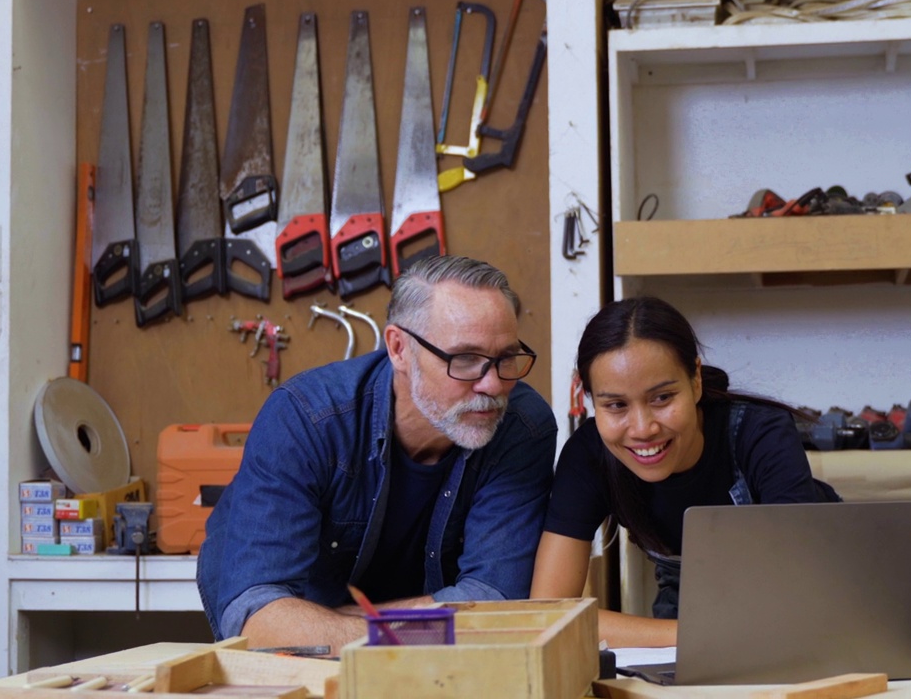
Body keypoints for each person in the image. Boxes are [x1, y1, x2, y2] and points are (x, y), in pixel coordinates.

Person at [198, 256, 557, 651]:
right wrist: (435, 625)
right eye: (465, 359)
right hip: (312, 665)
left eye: (506, 358)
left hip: (378, 649)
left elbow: (495, 606)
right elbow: (258, 620)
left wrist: (326, 623)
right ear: (399, 348)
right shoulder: (305, 419)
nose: (492, 385)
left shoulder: (522, 426)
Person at [531, 296, 839, 648]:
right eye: (616, 405)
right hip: (689, 616)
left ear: (695, 380)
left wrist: (703, 637)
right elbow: (548, 613)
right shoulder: (588, 456)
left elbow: (799, 600)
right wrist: (696, 636)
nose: (643, 428)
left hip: (814, 597)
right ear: (591, 400)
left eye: (662, 398)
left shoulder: (761, 434)